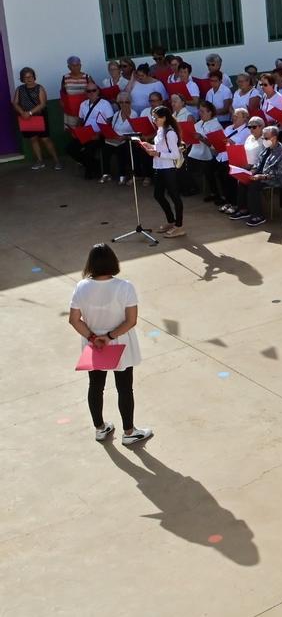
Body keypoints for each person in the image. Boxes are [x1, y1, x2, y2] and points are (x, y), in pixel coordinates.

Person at [68, 244, 153, 446]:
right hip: (120, 343)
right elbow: (131, 320)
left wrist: (93, 338)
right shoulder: (125, 286)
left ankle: (99, 428)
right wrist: (109, 336)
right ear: (113, 262)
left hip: (94, 345)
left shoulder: (81, 287)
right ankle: (129, 432)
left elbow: (74, 319)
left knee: (95, 386)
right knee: (125, 388)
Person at [138, 105, 185, 238]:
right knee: (158, 195)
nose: (154, 120)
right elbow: (161, 148)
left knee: (175, 197)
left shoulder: (170, 133)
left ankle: (179, 226)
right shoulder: (160, 130)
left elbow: (174, 154)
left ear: (164, 118)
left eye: (156, 118)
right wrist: (150, 146)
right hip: (159, 167)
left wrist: (157, 153)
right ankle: (171, 221)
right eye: (153, 117)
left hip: (168, 169)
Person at [237, 125, 282, 229]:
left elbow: (279, 172)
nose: (263, 140)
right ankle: (244, 209)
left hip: (273, 179)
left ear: (273, 138)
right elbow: (258, 163)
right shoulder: (266, 148)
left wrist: (262, 176)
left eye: (266, 138)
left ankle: (258, 215)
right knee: (242, 181)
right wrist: (252, 171)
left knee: (253, 185)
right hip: (260, 175)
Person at [13, 68, 61, 170]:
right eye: (25, 77)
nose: (28, 79)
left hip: (39, 116)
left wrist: (30, 113)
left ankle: (57, 161)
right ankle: (40, 161)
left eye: (30, 76)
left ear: (34, 76)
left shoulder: (40, 88)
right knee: (33, 139)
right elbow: (15, 103)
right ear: (22, 79)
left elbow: (42, 104)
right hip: (25, 117)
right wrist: (22, 113)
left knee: (45, 139)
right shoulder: (19, 89)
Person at [65, 83, 113, 181]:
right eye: (88, 91)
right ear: (86, 93)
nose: (91, 93)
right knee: (70, 148)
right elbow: (80, 120)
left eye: (93, 90)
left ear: (98, 91)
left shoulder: (105, 104)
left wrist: (98, 134)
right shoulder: (83, 104)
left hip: (99, 134)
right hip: (86, 133)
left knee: (89, 150)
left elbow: (109, 122)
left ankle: (90, 169)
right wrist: (76, 131)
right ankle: (95, 166)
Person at [185, 100, 222, 201]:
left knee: (208, 167)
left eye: (202, 111)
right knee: (183, 160)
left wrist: (201, 138)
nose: (199, 113)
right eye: (199, 111)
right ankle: (189, 187)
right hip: (196, 152)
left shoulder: (216, 125)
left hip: (212, 154)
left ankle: (215, 193)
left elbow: (215, 146)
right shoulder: (198, 124)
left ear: (210, 112)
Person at [61, 55, 94, 129]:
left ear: (80, 65)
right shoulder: (65, 78)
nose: (76, 67)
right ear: (69, 67)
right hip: (71, 110)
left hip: (85, 109)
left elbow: (94, 90)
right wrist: (63, 103)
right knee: (73, 132)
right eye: (73, 65)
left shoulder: (87, 77)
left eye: (78, 65)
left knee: (86, 129)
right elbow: (63, 93)